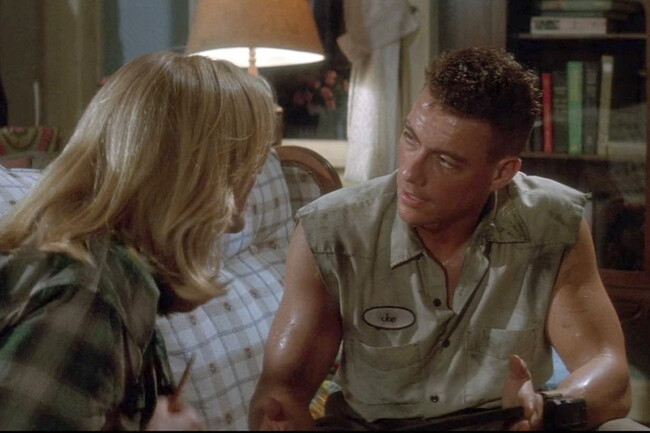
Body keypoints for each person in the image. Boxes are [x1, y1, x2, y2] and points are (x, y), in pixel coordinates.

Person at [249, 47, 644, 430]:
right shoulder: (330, 231)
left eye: (444, 160)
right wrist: (280, 418)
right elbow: (280, 391)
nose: (410, 172)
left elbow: (609, 374)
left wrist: (545, 409)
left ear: (501, 173)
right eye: (410, 138)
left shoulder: (553, 224)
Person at [0, 51, 276, 430]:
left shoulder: (109, 271)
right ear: (205, 175)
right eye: (250, 160)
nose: (255, 175)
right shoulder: (90, 292)